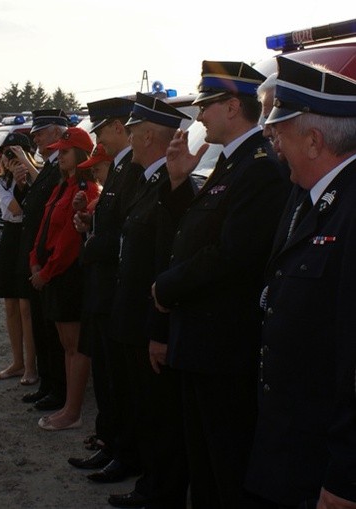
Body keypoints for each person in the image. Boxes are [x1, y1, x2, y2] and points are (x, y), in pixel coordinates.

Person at [151, 61, 288, 508]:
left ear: (233, 107)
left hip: (226, 349)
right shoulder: (232, 165)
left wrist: (166, 287)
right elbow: (199, 232)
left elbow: (232, 255)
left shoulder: (260, 169)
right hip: (202, 344)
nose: (199, 117)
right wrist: (177, 181)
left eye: (206, 106)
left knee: (227, 469)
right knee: (205, 465)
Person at [244, 57, 356, 509]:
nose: (272, 144)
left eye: (279, 134)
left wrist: (348, 476)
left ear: (313, 140)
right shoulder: (308, 197)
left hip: (322, 462)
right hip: (288, 445)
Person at [102, 93, 191, 508]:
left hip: (147, 317)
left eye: (134, 131)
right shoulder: (149, 182)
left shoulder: (170, 186)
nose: (129, 138)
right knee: (141, 406)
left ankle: (159, 490)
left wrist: (157, 325)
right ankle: (147, 479)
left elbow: (163, 259)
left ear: (149, 135)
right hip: (131, 315)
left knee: (158, 414)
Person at [68, 98, 144, 480]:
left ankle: (123, 453)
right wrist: (88, 226)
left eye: (101, 129)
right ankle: (110, 444)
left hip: (116, 289)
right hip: (103, 288)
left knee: (120, 384)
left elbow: (126, 236)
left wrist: (93, 240)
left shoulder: (133, 168)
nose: (98, 137)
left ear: (117, 126)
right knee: (109, 380)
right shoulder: (118, 168)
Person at [30, 126, 98, 431]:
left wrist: (45, 272)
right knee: (65, 343)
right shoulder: (62, 186)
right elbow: (46, 228)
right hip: (53, 275)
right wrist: (35, 261)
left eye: (66, 152)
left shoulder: (84, 190)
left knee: (75, 347)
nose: (60, 157)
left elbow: (70, 242)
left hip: (67, 276)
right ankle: (67, 407)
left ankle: (72, 411)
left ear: (81, 154)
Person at [12, 109, 68, 412]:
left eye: (40, 133)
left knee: (50, 332)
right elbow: (35, 208)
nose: (35, 138)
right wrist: (23, 189)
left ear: (58, 133)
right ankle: (48, 385)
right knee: (41, 328)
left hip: (48, 262)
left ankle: (56, 389)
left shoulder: (60, 167)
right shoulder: (48, 167)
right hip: (35, 257)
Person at [0, 132, 38, 384]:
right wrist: (17, 184)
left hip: (27, 237)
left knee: (25, 306)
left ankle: (31, 365)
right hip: (11, 238)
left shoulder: (37, 176)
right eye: (6, 153)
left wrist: (25, 181)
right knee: (10, 304)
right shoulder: (2, 181)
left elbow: (28, 209)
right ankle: (17, 362)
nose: (9, 158)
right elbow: (13, 209)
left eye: (14, 152)